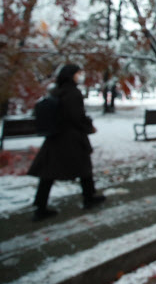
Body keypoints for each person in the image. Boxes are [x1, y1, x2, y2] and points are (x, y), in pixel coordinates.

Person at [28, 64, 106, 221]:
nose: (80, 76)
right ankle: (89, 198)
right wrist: (88, 126)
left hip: (56, 137)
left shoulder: (57, 91)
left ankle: (40, 206)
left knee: (49, 173)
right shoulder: (73, 93)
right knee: (84, 167)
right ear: (71, 75)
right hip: (72, 138)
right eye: (78, 73)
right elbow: (76, 116)